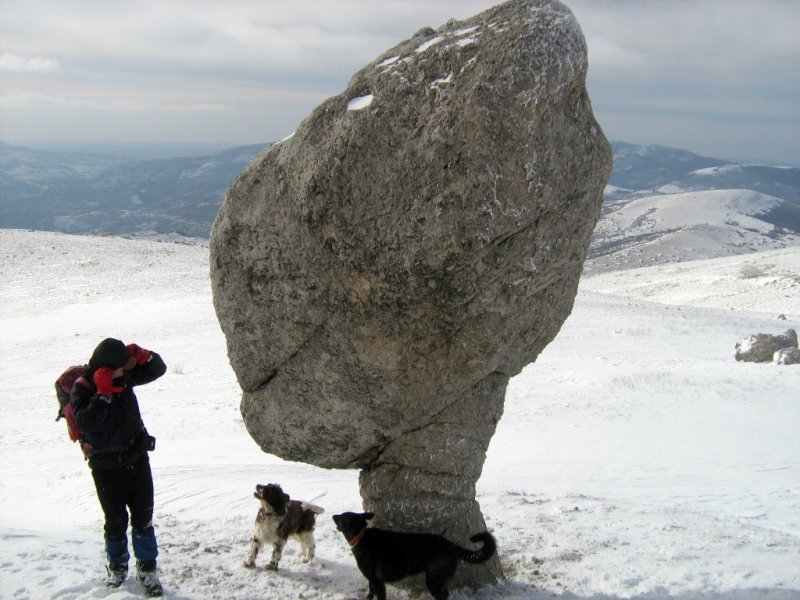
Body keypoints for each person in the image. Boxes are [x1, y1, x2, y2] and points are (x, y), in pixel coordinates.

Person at [71, 337, 167, 597]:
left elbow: (158, 370)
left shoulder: (123, 378)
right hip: (106, 468)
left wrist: (146, 355)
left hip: (136, 459)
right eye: (121, 366)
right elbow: (85, 422)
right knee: (115, 522)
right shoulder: (83, 387)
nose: (126, 370)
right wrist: (102, 395)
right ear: (105, 367)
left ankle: (147, 571)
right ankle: (117, 568)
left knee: (143, 518)